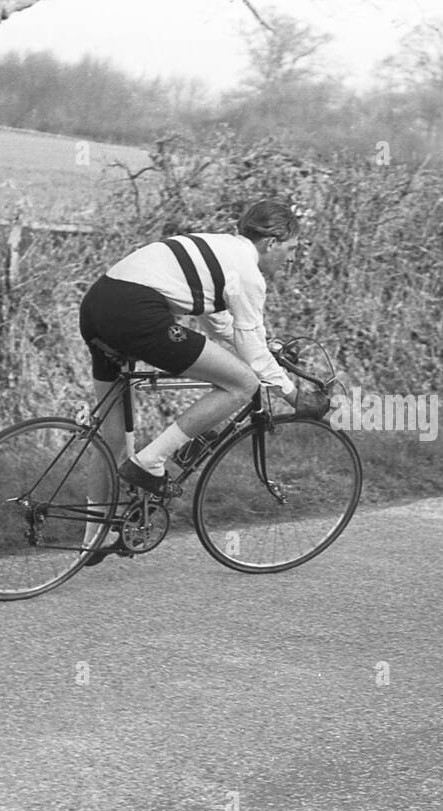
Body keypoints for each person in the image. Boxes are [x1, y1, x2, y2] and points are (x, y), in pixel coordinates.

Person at [77, 199, 328, 559]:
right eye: (291, 249)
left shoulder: (221, 249)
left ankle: (91, 541)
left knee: (112, 439)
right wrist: (293, 396)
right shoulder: (248, 273)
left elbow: (225, 327)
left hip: (98, 306)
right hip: (136, 313)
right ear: (272, 242)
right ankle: (151, 461)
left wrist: (264, 347)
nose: (292, 259)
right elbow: (252, 354)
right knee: (243, 384)